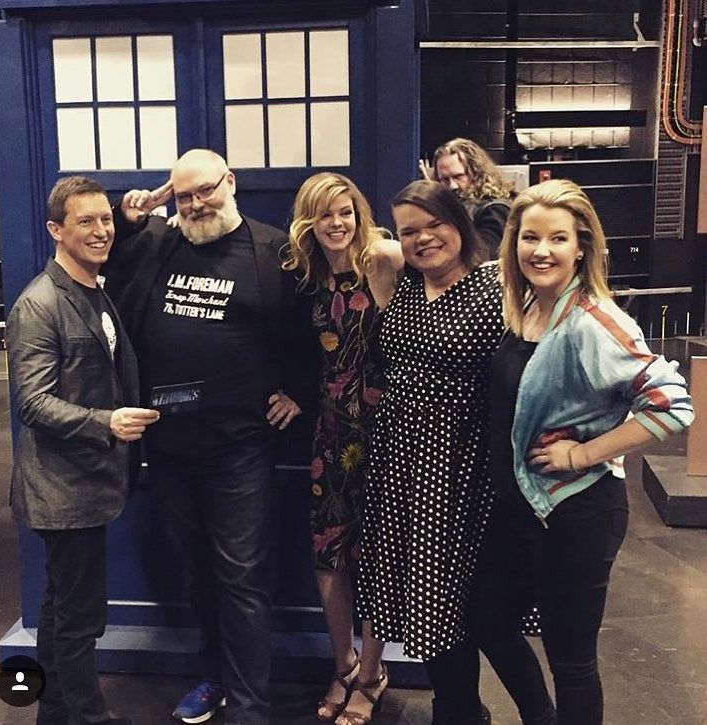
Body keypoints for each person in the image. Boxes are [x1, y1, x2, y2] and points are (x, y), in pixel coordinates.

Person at [469, 178, 694, 725]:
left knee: (571, 661)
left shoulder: (593, 322)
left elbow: (671, 404)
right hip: (521, 505)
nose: (541, 251)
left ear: (581, 247)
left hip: (577, 511)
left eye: (557, 238)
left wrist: (583, 453)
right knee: (489, 622)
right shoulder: (526, 307)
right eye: (530, 237)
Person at [104, 149, 314, 725]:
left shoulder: (274, 251)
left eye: (206, 190)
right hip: (168, 445)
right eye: (185, 195)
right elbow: (102, 261)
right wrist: (127, 218)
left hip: (240, 445)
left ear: (231, 182)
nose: (197, 204)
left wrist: (300, 390)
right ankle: (214, 679)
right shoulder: (157, 241)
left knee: (241, 575)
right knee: (194, 569)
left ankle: (250, 706)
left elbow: (312, 330)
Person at [6, 176, 160, 725]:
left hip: (86, 483)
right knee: (79, 617)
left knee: (61, 607)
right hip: (62, 488)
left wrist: (135, 218)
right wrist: (106, 422)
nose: (101, 231)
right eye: (86, 221)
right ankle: (88, 716)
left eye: (105, 219)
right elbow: (33, 403)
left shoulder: (95, 287)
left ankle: (53, 711)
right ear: (56, 230)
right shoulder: (39, 304)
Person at [357, 180, 502, 725]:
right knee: (420, 593)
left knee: (452, 598)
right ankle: (454, 707)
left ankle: (463, 710)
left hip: (460, 466)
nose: (422, 239)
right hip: (400, 463)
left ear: (459, 222)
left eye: (434, 224)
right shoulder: (405, 286)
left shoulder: (495, 287)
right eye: (409, 231)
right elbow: (375, 250)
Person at [282, 172, 403, 725]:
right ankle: (345, 663)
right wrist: (291, 391)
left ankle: (373, 674)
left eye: (345, 211)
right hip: (331, 430)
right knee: (328, 552)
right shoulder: (305, 277)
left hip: (385, 428)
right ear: (309, 221)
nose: (337, 223)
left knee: (374, 553)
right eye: (325, 213)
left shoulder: (383, 260)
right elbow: (291, 348)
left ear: (359, 214)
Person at [420, 137, 513, 258]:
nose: (452, 186)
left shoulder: (494, 209)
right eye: (445, 179)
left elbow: (483, 256)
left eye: (458, 177)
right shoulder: (451, 208)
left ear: (476, 173)